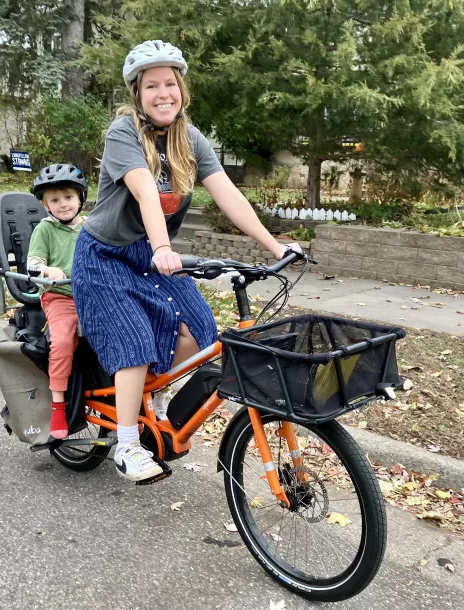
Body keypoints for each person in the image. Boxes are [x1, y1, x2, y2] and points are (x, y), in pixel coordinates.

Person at [72, 40, 299, 482]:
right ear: (137, 93)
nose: (163, 93)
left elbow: (228, 194)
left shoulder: (190, 138)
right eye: (152, 85)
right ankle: (127, 444)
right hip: (105, 255)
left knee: (201, 330)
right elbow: (144, 191)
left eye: (170, 84)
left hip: (155, 257)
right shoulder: (124, 132)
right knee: (134, 341)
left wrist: (276, 248)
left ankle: (147, 399)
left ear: (182, 89)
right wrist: (161, 247)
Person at [28, 163, 88, 440]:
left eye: (68, 197)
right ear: (46, 205)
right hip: (60, 296)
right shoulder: (45, 229)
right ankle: (58, 405)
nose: (62, 204)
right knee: (62, 341)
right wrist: (47, 270)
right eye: (54, 200)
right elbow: (34, 263)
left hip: (91, 297)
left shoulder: (89, 228)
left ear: (80, 199)